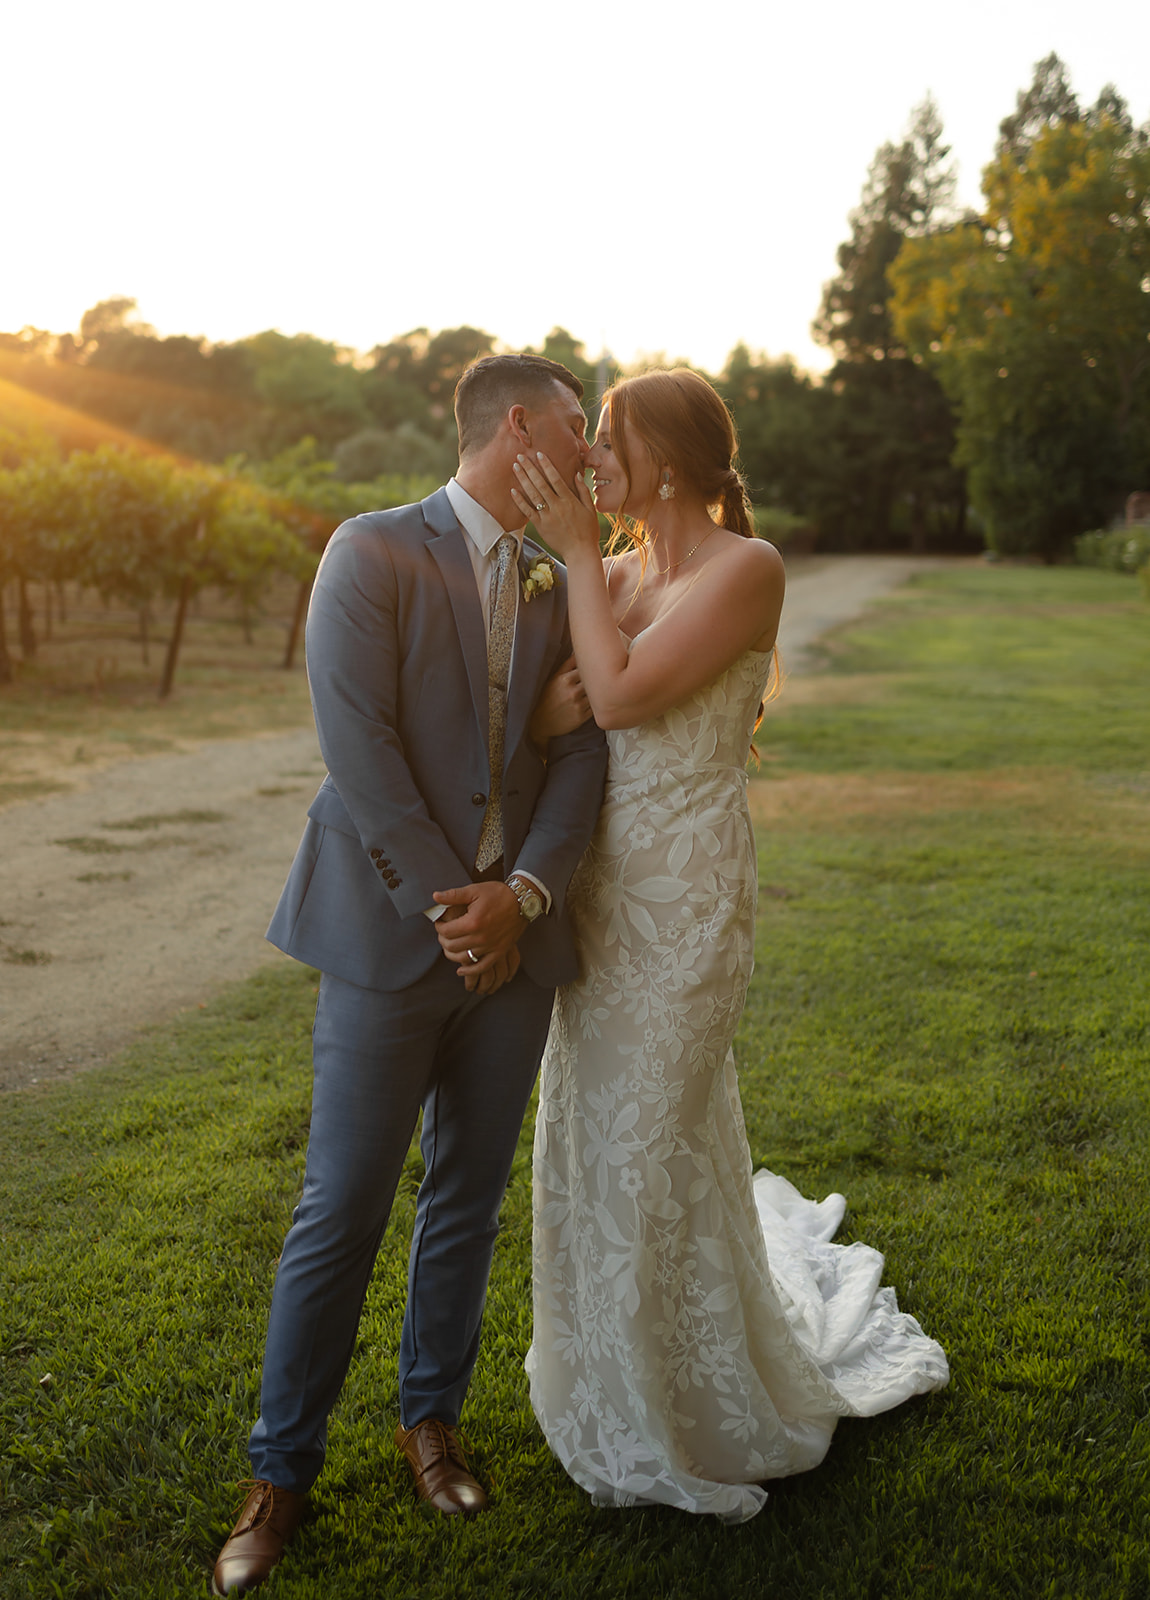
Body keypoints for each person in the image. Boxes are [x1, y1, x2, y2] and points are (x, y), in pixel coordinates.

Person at [513, 368, 949, 1522]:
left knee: (649, 1133)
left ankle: (690, 1403)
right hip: (601, 899)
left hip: (686, 898)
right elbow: (552, 701)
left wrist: (569, 586)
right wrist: (569, 602)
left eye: (609, 439)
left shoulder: (742, 571)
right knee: (598, 1134)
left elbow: (606, 698)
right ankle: (608, 1379)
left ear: (668, 453)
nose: (596, 460)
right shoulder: (616, 574)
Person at [211, 354, 608, 1594]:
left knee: (468, 1197)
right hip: (395, 942)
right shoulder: (369, 549)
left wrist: (525, 897)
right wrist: (459, 908)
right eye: (580, 436)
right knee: (341, 1208)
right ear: (523, 429)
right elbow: (360, 746)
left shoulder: (561, 575)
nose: (592, 460)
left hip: (520, 943)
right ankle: (280, 1472)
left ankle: (429, 1421)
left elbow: (590, 748)